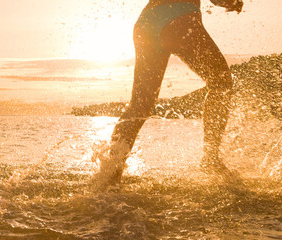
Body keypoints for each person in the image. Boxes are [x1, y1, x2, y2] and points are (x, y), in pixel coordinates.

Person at [93, 0, 244, 187]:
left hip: (145, 23)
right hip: (180, 18)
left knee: (140, 105)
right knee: (221, 83)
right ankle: (210, 159)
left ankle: (109, 176)